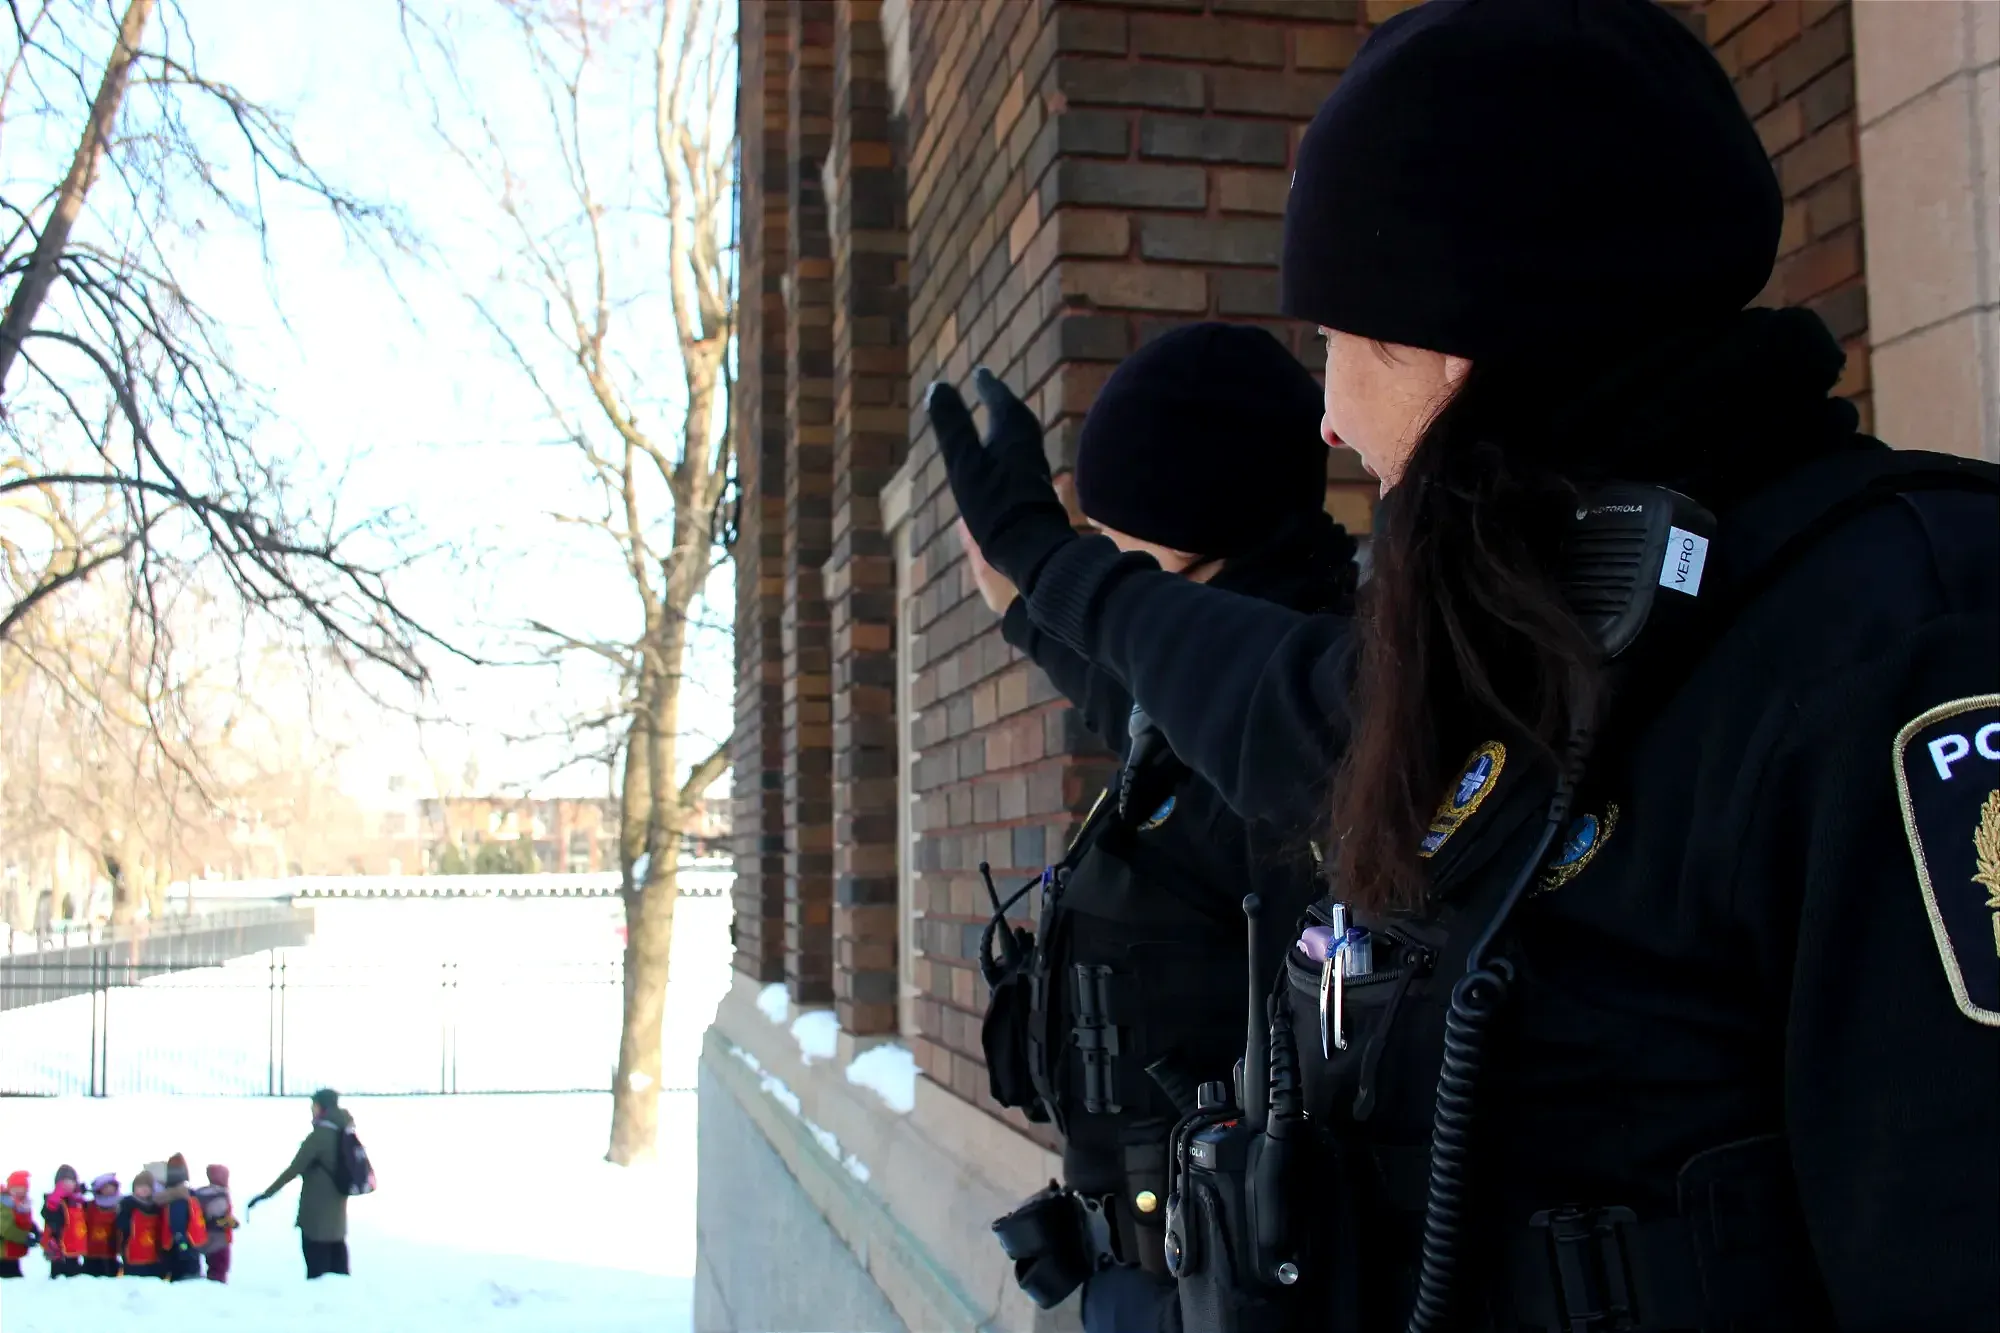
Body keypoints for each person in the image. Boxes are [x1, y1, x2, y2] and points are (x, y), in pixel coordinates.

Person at [931, 1, 2000, 1328]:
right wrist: (1047, 576)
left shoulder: (1905, 636)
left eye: (1334, 336)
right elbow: (1253, 702)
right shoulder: (1535, 632)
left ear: (1447, 338)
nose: (1325, 415)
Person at [942, 325, 1356, 1333]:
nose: (1100, 559)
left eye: (1113, 536)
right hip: (1158, 1280)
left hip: (1233, 1294)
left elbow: (1209, 738)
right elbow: (1133, 697)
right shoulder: (1202, 709)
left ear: (1191, 527)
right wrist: (1024, 604)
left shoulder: (1300, 729)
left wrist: (1048, 570)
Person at [249, 1088, 354, 1278]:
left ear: (321, 1107)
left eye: (314, 1105)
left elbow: (293, 1169)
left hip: (315, 1219)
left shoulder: (319, 1136)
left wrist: (267, 1194)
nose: (311, 1109)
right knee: (339, 1273)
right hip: (337, 1220)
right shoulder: (345, 1131)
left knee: (317, 1275)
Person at [156, 1153, 207, 1281]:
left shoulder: (174, 1196)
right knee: (186, 1275)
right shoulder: (183, 1196)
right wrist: (183, 1244)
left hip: (181, 1243)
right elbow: (178, 1223)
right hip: (184, 1243)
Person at [116, 1168, 166, 1278]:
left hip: (153, 1255)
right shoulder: (127, 1205)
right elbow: (121, 1227)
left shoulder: (157, 1207)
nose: (143, 1189)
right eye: (140, 1186)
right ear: (134, 1188)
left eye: (147, 1186)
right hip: (133, 1255)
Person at [39, 1164, 87, 1277]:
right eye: (64, 1182)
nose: (68, 1185)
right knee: (58, 1272)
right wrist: (54, 1201)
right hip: (58, 1243)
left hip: (74, 1242)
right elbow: (46, 1213)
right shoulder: (53, 1200)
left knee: (74, 1270)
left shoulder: (78, 1201)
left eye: (71, 1181)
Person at [194, 1163, 238, 1283]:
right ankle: (216, 1291)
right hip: (219, 1240)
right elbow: (217, 1218)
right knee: (219, 1271)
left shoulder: (200, 1193)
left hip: (204, 1238)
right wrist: (231, 1223)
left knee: (213, 1269)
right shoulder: (219, 1194)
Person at [81, 1174, 122, 1276]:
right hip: (91, 1251)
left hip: (111, 1252)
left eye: (111, 1186)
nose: (109, 1189)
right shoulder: (90, 1206)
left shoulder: (121, 1204)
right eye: (105, 1187)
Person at [0, 1171, 36, 1278]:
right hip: (3, 1251)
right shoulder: (4, 1203)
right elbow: (5, 1229)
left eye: (22, 1189)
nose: (19, 1192)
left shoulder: (22, 1205)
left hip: (13, 1250)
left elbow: (25, 1222)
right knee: (10, 1278)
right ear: (9, 1189)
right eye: (16, 1189)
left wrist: (35, 1231)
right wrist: (25, 1238)